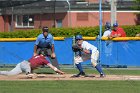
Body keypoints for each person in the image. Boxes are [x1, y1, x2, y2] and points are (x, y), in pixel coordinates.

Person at [0, 50, 65, 76]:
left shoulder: (36, 56)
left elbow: (32, 64)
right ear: (45, 55)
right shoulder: (44, 60)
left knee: (10, 74)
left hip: (21, 64)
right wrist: (60, 71)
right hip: (26, 65)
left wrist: (32, 71)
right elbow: (53, 67)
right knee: (29, 73)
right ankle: (28, 74)